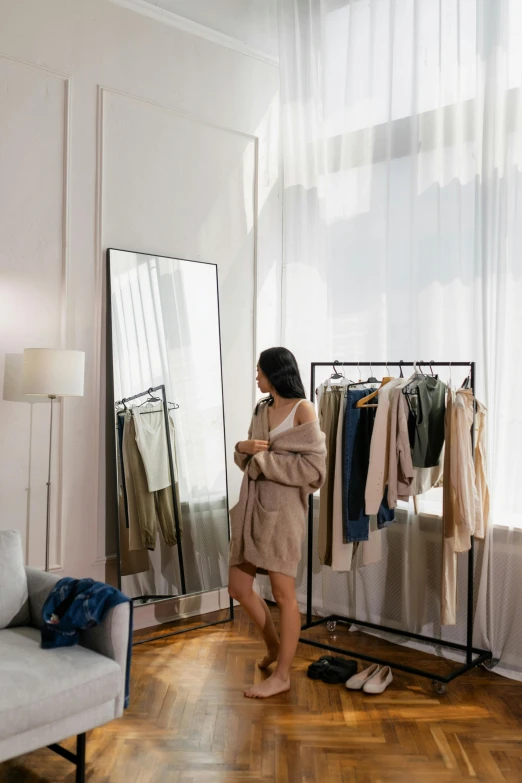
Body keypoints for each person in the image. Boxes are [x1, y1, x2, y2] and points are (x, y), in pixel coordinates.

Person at [228, 347, 327, 698]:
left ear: (275, 372)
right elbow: (247, 459)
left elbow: (315, 470)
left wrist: (265, 459)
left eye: (260, 371)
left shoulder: (303, 410)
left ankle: (283, 674)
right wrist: (241, 445)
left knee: (284, 595)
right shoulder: (261, 409)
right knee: (238, 587)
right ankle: (272, 648)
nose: (256, 377)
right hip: (253, 508)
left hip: (284, 514)